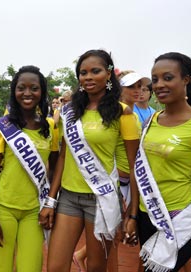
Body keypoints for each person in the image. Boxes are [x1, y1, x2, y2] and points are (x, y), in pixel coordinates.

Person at [40, 49, 140, 272]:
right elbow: (64, 157)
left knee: (96, 266)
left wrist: (133, 212)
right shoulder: (70, 111)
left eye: (95, 71)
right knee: (55, 266)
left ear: (108, 74)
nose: (88, 77)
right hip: (68, 197)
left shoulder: (123, 113)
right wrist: (50, 200)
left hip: (102, 199)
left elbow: (135, 166)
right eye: (83, 73)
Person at [131, 52, 191, 272]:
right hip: (147, 214)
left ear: (186, 80)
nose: (159, 84)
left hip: (180, 218)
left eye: (168, 78)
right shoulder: (151, 121)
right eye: (155, 79)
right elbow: (139, 168)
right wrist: (132, 215)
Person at [0, 65, 59, 272]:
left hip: (34, 211)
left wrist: (50, 204)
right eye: (21, 88)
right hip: (3, 208)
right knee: (3, 268)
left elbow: (53, 170)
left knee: (31, 267)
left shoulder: (50, 127)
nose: (27, 93)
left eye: (34, 88)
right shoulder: (2, 127)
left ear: (42, 92)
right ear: (14, 91)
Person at [72, 70, 146, 272]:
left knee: (113, 240)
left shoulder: (133, 114)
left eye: (141, 86)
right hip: (113, 183)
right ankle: (82, 255)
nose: (138, 90)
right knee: (111, 241)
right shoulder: (116, 113)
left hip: (129, 184)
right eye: (132, 86)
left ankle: (82, 256)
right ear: (119, 88)